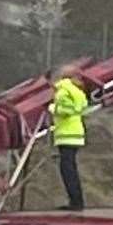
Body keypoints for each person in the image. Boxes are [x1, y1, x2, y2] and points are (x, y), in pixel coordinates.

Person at [49, 65, 88, 210]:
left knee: (68, 170)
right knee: (70, 168)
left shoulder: (63, 91)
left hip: (66, 135)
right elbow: (80, 107)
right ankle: (76, 201)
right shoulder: (76, 90)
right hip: (75, 134)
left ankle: (76, 202)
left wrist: (54, 109)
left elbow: (69, 110)